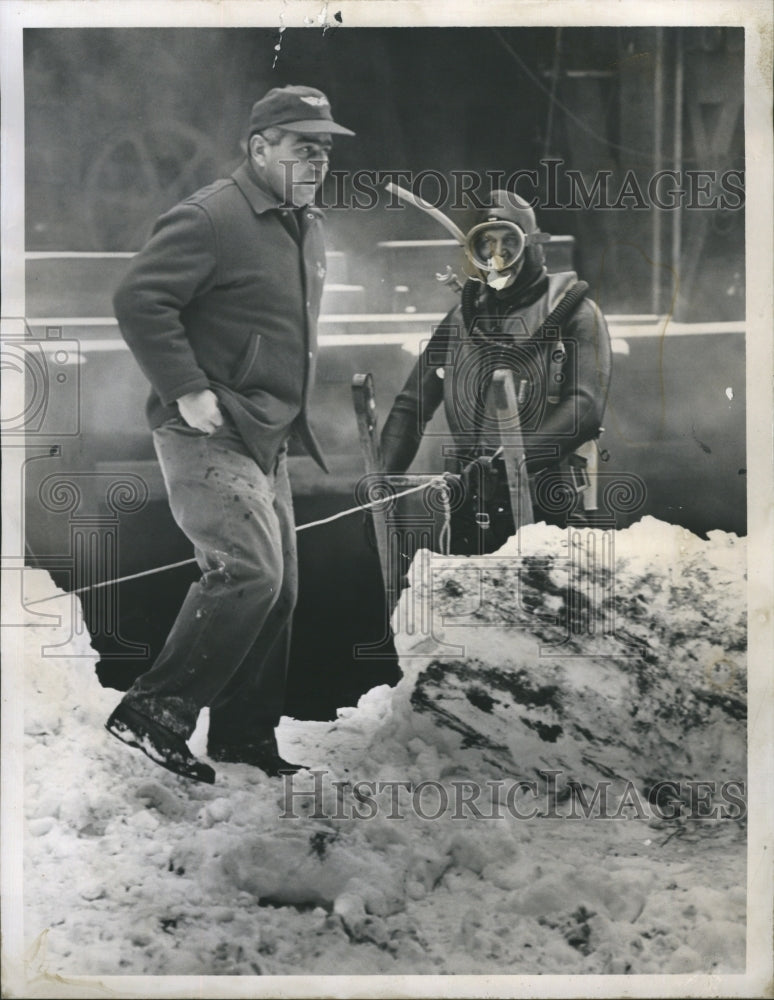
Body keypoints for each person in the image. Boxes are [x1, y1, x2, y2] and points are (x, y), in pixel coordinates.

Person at [105, 85, 355, 784]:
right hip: (208, 432)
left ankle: (245, 737)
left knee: (281, 591)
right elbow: (138, 298)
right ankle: (154, 711)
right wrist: (187, 387)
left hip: (266, 434)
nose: (319, 159)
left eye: (326, 148)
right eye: (304, 146)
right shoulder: (212, 217)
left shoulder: (306, 225)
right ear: (259, 148)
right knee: (248, 570)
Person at [379, 190, 612, 554]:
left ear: (533, 245)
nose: (499, 255)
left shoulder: (577, 314)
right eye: (487, 244)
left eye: (510, 242)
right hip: (471, 503)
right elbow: (411, 406)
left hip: (552, 502)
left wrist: (509, 466)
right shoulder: (462, 318)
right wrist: (380, 488)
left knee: (549, 604)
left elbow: (584, 410)